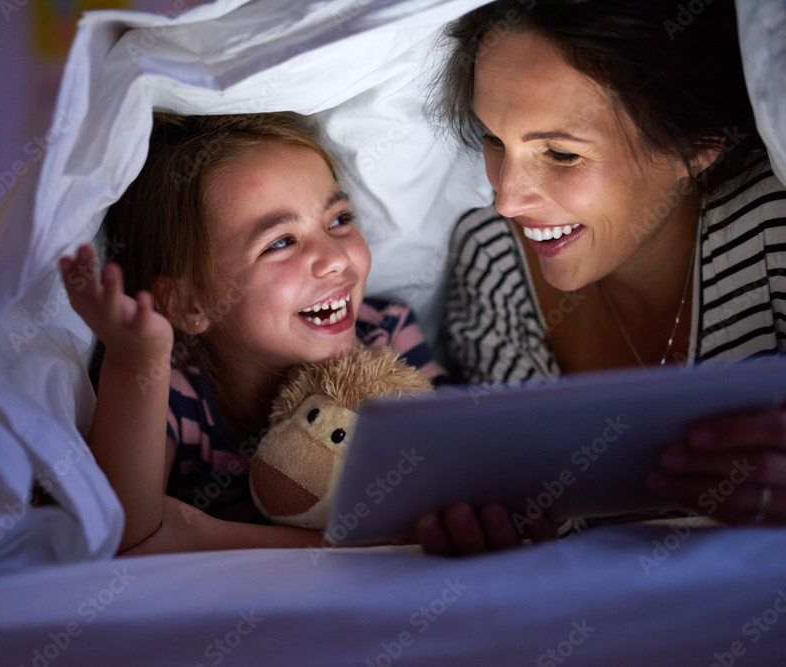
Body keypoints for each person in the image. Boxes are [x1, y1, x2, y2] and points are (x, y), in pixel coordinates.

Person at [417, 0, 786, 556]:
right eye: (494, 140)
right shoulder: (493, 261)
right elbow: (535, 520)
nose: (507, 199)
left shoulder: (771, 231)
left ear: (698, 144)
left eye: (561, 154)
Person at [59, 112, 446, 554]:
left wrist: (201, 532)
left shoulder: (387, 331)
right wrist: (136, 360)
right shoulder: (172, 389)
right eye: (280, 242)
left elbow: (464, 462)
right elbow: (123, 533)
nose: (336, 258)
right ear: (190, 304)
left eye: (338, 219)